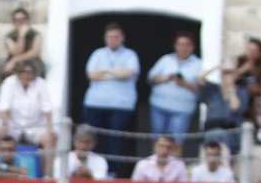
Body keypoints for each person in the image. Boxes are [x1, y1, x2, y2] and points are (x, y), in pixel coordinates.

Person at [82, 24, 140, 172]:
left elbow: (129, 73)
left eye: (116, 37)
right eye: (109, 37)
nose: (112, 40)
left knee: (115, 141)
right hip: (95, 103)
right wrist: (116, 74)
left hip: (121, 105)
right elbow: (91, 74)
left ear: (122, 38)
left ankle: (111, 172)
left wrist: (106, 71)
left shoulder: (130, 55)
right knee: (92, 139)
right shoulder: (98, 54)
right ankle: (90, 170)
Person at [0, 60, 54, 174]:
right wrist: (5, 125)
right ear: (17, 72)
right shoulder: (9, 83)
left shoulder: (41, 83)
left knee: (50, 138)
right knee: (0, 134)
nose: (26, 75)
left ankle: (48, 175)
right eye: (23, 72)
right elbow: (4, 107)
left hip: (36, 126)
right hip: (13, 125)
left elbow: (47, 108)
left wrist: (50, 128)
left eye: (29, 72)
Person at [147, 31, 203, 152]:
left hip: (181, 109)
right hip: (159, 106)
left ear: (193, 47)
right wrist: (167, 78)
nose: (183, 48)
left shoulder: (199, 64)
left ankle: (175, 170)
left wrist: (184, 83)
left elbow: (201, 88)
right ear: (175, 45)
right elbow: (151, 78)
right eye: (180, 44)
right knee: (157, 140)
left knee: (177, 142)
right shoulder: (165, 60)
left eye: (186, 45)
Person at [1, 7, 43, 80]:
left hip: (31, 61)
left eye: (22, 20)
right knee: (7, 70)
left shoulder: (36, 35)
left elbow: (35, 53)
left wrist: (16, 59)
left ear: (27, 20)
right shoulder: (9, 36)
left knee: (34, 68)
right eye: (17, 20)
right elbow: (16, 52)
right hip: (16, 62)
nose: (20, 23)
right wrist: (21, 36)